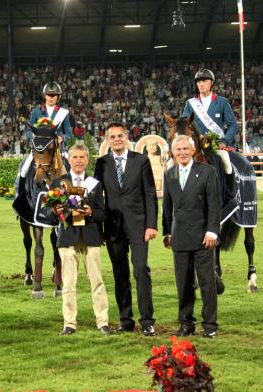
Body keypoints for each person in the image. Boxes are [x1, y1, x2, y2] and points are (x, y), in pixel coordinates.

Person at [94, 122, 158, 337]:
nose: (117, 139)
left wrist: (151, 225)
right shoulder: (101, 164)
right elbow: (97, 198)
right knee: (120, 274)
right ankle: (126, 319)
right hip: (113, 227)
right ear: (107, 140)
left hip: (139, 227)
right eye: (112, 136)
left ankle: (147, 321)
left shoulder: (141, 161)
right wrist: (99, 228)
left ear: (127, 137)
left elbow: (150, 194)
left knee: (141, 270)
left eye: (120, 135)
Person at [162, 135, 220, 338]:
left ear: (193, 150)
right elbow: (167, 208)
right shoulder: (169, 174)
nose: (182, 153)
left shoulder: (207, 172)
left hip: (203, 237)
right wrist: (167, 232)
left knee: (207, 283)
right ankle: (186, 323)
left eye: (186, 149)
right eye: (178, 150)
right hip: (179, 238)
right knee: (184, 284)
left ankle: (210, 325)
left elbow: (214, 204)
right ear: (173, 152)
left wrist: (212, 231)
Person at [51, 143, 110, 336]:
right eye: (75, 157)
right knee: (68, 284)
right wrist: (57, 211)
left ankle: (102, 321)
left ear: (87, 160)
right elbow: (49, 214)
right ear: (69, 160)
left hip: (91, 237)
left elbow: (103, 213)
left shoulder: (95, 183)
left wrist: (92, 212)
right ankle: (69, 323)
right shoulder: (58, 183)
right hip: (68, 238)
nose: (78, 161)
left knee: (97, 282)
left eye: (82, 157)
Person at [181, 68, 237, 175]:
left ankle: (229, 190)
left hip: (215, 144)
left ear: (211, 83)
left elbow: (233, 125)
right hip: (195, 144)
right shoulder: (191, 103)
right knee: (170, 163)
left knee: (227, 166)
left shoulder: (222, 102)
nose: (201, 84)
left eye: (205, 81)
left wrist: (224, 142)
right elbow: (184, 124)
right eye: (199, 82)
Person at [28, 82, 72, 149]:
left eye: (53, 95)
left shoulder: (63, 113)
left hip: (58, 149)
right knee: (26, 160)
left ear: (58, 97)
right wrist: (34, 136)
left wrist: (62, 138)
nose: (51, 98)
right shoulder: (36, 112)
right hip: (39, 147)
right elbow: (29, 131)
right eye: (48, 95)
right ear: (45, 96)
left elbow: (69, 134)